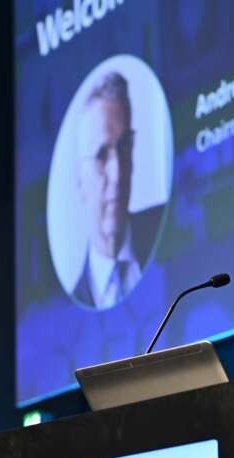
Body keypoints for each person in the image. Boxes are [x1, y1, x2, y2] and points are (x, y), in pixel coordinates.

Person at [69, 71, 161, 310]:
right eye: (101, 155)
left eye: (124, 147)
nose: (117, 173)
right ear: (79, 179)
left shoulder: (169, 231)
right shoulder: (68, 302)